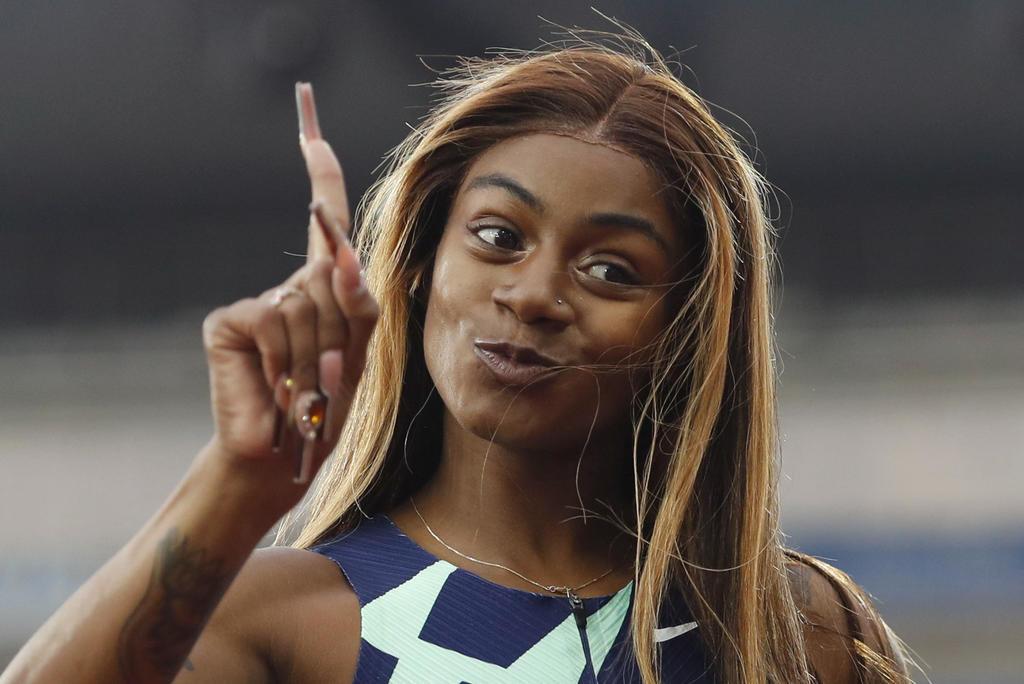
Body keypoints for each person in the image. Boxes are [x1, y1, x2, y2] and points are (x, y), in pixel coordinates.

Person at [3, 35, 911, 684]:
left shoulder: (793, 629)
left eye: (610, 268)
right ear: (420, 267)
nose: (534, 294)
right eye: (497, 236)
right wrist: (238, 480)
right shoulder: (287, 620)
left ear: (685, 330)